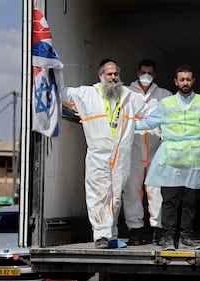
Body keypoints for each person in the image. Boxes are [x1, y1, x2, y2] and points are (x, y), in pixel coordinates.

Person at [135, 64, 200, 250]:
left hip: (194, 159)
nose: (185, 83)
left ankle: (186, 237)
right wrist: (127, 125)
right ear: (176, 81)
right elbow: (150, 122)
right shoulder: (166, 103)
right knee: (170, 200)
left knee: (191, 201)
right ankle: (167, 237)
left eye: (188, 79)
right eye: (182, 79)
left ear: (193, 81)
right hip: (171, 161)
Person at [61, 59, 144, 249]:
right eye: (109, 74)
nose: (113, 77)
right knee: (99, 194)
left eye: (116, 74)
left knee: (115, 197)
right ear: (100, 76)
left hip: (120, 154)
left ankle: (111, 234)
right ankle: (101, 236)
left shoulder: (129, 96)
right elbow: (61, 92)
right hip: (98, 153)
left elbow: (152, 111)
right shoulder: (87, 94)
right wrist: (54, 70)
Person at [122, 59, 172, 246]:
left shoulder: (164, 95)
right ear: (137, 73)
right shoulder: (126, 93)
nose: (146, 76)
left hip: (155, 146)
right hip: (133, 146)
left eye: (150, 73)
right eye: (143, 72)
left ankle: (158, 229)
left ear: (155, 74)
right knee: (132, 189)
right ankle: (135, 229)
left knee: (156, 189)